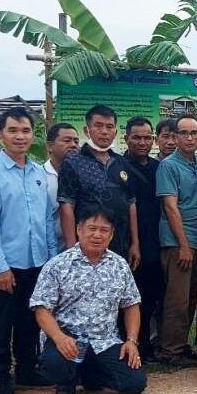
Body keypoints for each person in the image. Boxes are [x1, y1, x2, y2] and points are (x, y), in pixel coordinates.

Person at [0, 107, 56, 394]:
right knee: (0, 323)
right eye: (13, 130)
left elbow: (47, 219)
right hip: (7, 265)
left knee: (29, 319)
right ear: (0, 134)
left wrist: (51, 259)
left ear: (32, 135)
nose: (19, 137)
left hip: (37, 261)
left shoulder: (37, 173)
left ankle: (27, 370)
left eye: (25, 131)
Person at [30, 206, 147, 394]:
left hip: (105, 340)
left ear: (111, 235)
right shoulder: (58, 265)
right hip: (68, 338)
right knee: (55, 364)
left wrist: (131, 341)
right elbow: (41, 309)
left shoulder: (119, 265)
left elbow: (131, 305)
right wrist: (59, 337)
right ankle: (66, 382)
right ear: (79, 229)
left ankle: (89, 375)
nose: (97, 235)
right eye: (92, 228)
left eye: (104, 230)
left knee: (134, 384)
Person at [58, 105, 140, 270]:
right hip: (87, 246)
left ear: (115, 132)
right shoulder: (73, 163)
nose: (104, 131)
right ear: (87, 130)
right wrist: (72, 251)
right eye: (98, 126)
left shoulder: (121, 163)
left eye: (109, 127)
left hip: (120, 244)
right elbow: (66, 207)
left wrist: (135, 243)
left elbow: (131, 204)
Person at [157, 115, 197, 368]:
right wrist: (184, 245)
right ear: (175, 137)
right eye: (184, 133)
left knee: (192, 297)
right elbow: (170, 207)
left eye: (194, 133)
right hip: (178, 242)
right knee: (176, 299)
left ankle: (183, 346)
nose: (190, 138)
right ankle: (170, 351)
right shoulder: (168, 166)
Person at [123, 117, 163, 362]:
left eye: (147, 137)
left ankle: (148, 345)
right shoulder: (119, 167)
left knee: (151, 295)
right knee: (131, 295)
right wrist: (133, 243)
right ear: (126, 138)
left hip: (156, 240)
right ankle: (131, 343)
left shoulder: (159, 167)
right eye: (136, 137)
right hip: (130, 242)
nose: (142, 142)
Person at [44, 122, 79, 255]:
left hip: (78, 248)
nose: (73, 145)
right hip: (48, 250)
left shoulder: (83, 176)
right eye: (67, 140)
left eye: (76, 141)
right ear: (50, 146)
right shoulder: (39, 177)